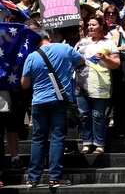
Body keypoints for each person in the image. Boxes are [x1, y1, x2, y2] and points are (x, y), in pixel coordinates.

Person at [21, 29, 84, 188]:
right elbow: (81, 61)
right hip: (59, 99)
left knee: (38, 139)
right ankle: (55, 178)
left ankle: (33, 179)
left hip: (39, 102)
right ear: (49, 37)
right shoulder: (64, 48)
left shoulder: (31, 56)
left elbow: (24, 84)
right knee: (57, 138)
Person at [74, 16, 121, 154]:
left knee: (98, 115)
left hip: (100, 84)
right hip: (81, 84)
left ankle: (99, 144)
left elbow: (117, 64)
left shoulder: (109, 43)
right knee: (83, 115)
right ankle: (87, 142)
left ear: (101, 26)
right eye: (88, 25)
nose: (90, 27)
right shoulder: (81, 42)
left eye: (93, 24)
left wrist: (105, 58)